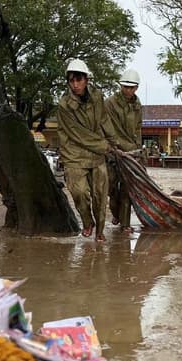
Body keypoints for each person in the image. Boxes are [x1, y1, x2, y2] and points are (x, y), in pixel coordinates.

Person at [57, 59, 114, 242]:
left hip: (97, 154)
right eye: (72, 81)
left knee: (100, 194)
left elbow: (104, 120)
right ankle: (87, 222)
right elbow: (78, 134)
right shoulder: (64, 105)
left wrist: (115, 142)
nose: (75, 85)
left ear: (86, 80)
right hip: (74, 153)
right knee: (79, 192)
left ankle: (100, 231)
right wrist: (104, 146)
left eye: (79, 80)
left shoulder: (97, 97)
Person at [104, 68, 143, 233]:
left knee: (127, 189)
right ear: (120, 86)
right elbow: (106, 128)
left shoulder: (137, 105)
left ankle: (125, 223)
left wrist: (138, 150)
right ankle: (116, 214)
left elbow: (138, 128)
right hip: (113, 152)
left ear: (136, 88)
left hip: (131, 153)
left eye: (131, 87)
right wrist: (113, 147)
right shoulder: (110, 103)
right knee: (111, 188)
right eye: (125, 87)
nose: (128, 90)